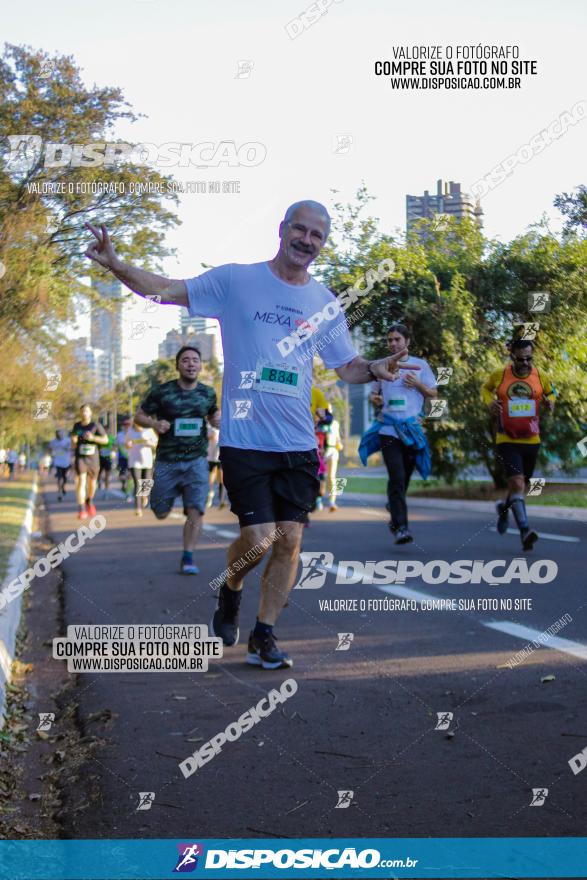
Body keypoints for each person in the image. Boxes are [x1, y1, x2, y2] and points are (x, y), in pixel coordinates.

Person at [84, 201, 415, 670]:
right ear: (281, 230)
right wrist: (117, 265)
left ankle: (264, 633)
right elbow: (166, 290)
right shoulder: (236, 281)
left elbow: (347, 367)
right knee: (258, 539)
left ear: (323, 243)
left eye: (317, 235)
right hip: (245, 440)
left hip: (299, 444)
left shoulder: (324, 302)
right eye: (299, 229)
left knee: (290, 542)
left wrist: (375, 368)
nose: (306, 240)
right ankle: (231, 586)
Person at [134, 346, 219, 572]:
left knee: (196, 509)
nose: (191, 364)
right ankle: (167, 499)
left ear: (201, 366)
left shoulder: (208, 393)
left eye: (195, 360)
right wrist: (154, 424)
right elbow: (139, 416)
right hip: (167, 461)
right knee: (160, 511)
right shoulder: (162, 392)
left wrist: (218, 421)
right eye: (185, 360)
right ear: (178, 366)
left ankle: (188, 557)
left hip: (197, 461)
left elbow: (213, 416)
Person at [481, 337, 556, 550]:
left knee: (521, 486)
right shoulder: (500, 374)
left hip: (532, 438)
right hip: (507, 438)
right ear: (512, 356)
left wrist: (551, 401)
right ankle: (525, 531)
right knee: (517, 483)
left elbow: (551, 391)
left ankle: (504, 509)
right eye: (521, 359)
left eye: (529, 359)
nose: (526, 363)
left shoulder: (540, 375)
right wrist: (490, 403)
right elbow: (486, 390)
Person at [365, 324, 437, 544]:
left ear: (407, 341)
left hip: (412, 431)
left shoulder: (421, 365)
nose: (393, 343)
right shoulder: (382, 365)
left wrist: (418, 385)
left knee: (403, 478)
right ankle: (402, 528)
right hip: (388, 430)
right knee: (396, 477)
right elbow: (374, 394)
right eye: (390, 340)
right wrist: (375, 399)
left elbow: (434, 394)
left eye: (397, 339)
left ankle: (394, 505)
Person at [71, 405, 109, 519]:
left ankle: (89, 500)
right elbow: (73, 443)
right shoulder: (76, 426)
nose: (84, 413)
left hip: (93, 458)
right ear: (80, 413)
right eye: (82, 411)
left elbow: (106, 440)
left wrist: (93, 438)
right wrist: (73, 441)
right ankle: (82, 509)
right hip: (80, 457)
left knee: (92, 483)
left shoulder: (95, 425)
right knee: (81, 481)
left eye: (86, 411)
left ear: (90, 413)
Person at [125, 420, 158, 517]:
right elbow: (126, 444)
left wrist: (150, 443)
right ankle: (138, 508)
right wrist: (128, 445)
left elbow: (156, 444)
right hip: (134, 462)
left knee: (146, 483)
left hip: (147, 461)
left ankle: (144, 496)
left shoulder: (149, 431)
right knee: (137, 484)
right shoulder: (130, 432)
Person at [322, 416, 343, 511]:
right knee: (320, 477)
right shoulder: (319, 423)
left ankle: (332, 502)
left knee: (332, 477)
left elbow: (337, 437)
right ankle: (318, 498)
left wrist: (339, 443)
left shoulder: (335, 423)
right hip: (322, 451)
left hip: (333, 450)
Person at [48, 429, 72, 501]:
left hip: (66, 462)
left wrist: (67, 448)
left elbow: (71, 448)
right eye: (58, 435)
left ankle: (63, 487)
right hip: (57, 462)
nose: (59, 436)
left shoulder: (67, 440)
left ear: (63, 434)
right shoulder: (53, 441)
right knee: (59, 477)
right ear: (56, 435)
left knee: (65, 477)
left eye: (61, 434)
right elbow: (49, 448)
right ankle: (59, 492)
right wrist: (51, 454)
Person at [206, 425, 226, 509]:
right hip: (210, 458)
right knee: (210, 479)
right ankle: (209, 496)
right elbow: (209, 437)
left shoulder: (224, 426)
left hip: (220, 458)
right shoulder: (209, 427)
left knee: (221, 479)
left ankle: (221, 501)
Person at [115, 418, 132, 499]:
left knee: (131, 476)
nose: (127, 426)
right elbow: (115, 446)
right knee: (122, 476)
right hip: (122, 458)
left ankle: (141, 498)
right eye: (125, 425)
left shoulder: (134, 434)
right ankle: (124, 486)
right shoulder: (119, 435)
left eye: (128, 425)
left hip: (134, 458)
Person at [98, 432, 115, 497]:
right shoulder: (132, 433)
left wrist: (113, 450)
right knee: (98, 474)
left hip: (147, 464)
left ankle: (106, 490)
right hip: (101, 458)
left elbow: (114, 446)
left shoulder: (111, 438)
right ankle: (139, 504)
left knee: (107, 475)